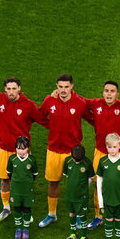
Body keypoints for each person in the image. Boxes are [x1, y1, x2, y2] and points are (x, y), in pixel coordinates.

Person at [0, 77, 48, 222]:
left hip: (22, 150)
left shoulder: (28, 105)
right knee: (5, 180)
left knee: (24, 181)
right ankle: (6, 208)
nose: (11, 92)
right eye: (9, 89)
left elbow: (42, 118)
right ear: (5, 89)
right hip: (4, 149)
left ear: (19, 89)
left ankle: (25, 208)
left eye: (14, 88)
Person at [82, 80, 120, 230]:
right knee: (97, 184)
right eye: (106, 90)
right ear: (103, 92)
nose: (109, 93)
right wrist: (62, 93)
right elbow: (79, 100)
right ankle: (98, 216)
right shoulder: (96, 104)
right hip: (100, 152)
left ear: (117, 94)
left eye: (112, 91)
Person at [39, 74, 90, 227]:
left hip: (73, 152)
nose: (63, 90)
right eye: (60, 87)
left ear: (72, 86)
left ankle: (80, 215)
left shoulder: (80, 102)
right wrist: (52, 127)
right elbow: (40, 116)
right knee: (53, 182)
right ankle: (51, 214)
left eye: (66, 87)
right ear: (56, 86)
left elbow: (92, 117)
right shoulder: (49, 100)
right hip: (53, 150)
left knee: (76, 185)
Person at [6, 135, 39, 239]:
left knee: (27, 208)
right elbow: (9, 173)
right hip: (16, 189)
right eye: (18, 148)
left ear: (27, 148)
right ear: (15, 148)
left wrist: (27, 182)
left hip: (27, 189)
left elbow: (35, 174)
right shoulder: (12, 159)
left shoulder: (32, 160)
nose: (20, 151)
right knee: (17, 208)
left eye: (23, 148)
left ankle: (26, 228)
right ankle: (19, 228)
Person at [61, 144, 94, 239]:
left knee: (82, 214)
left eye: (79, 160)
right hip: (70, 194)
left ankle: (84, 236)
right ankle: (73, 234)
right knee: (71, 213)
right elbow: (67, 175)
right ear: (71, 156)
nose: (77, 162)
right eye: (75, 160)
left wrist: (84, 189)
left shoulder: (87, 163)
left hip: (82, 195)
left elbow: (90, 177)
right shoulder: (67, 161)